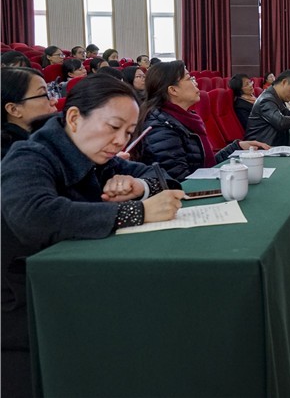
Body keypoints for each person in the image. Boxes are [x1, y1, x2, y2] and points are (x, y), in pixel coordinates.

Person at [1, 75, 185, 396]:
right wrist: (137, 212)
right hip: (26, 313)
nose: (119, 141)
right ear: (74, 118)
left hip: (74, 285)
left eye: (128, 133)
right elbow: (36, 216)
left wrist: (135, 186)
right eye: (113, 127)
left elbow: (167, 180)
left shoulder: (97, 157)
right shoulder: (29, 157)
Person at [138, 61, 269, 181]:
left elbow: (205, 166)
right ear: (173, 90)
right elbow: (182, 182)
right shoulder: (162, 128)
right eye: (189, 79)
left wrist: (238, 147)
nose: (196, 84)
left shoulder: (187, 118)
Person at [1, 67, 58, 159]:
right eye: (43, 95)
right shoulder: (19, 158)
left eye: (49, 93)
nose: (54, 101)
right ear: (14, 110)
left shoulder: (46, 134)